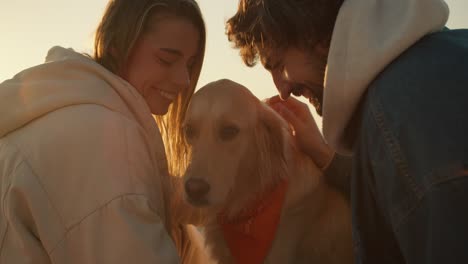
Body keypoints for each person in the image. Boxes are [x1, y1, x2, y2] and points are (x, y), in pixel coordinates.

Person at [226, 0, 468, 263]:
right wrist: (327, 158)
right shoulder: (436, 68)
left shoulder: (404, 109)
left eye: (276, 63)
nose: (282, 89)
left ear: (310, 32)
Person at [0, 0, 209, 263]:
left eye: (189, 65)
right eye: (166, 59)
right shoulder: (104, 137)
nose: (184, 80)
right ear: (117, 45)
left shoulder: (60, 110)